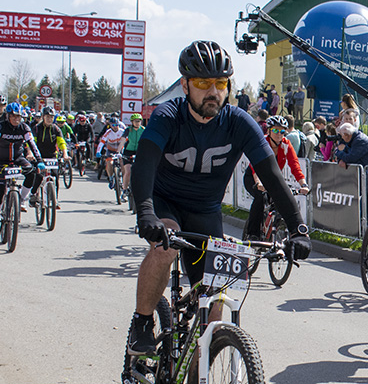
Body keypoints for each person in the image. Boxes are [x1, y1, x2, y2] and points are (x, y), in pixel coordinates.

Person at [128, 40, 311, 356]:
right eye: (203, 83)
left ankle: (198, 381)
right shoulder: (168, 116)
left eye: (221, 83)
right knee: (165, 248)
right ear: (185, 84)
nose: (213, 91)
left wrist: (298, 228)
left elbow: (272, 176)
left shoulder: (239, 122)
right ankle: (142, 321)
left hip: (205, 211)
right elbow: (144, 163)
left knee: (214, 308)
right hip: (165, 203)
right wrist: (145, 211)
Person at [243, 115, 310, 240]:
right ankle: (253, 233)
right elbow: (254, 167)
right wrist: (258, 183)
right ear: (269, 131)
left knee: (281, 199)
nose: (279, 134)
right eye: (275, 130)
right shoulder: (263, 142)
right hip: (253, 176)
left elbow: (295, 165)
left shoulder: (286, 144)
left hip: (271, 178)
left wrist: (304, 184)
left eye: (282, 131)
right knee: (260, 197)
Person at [0, 103, 44, 234]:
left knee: (32, 173)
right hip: (1, 160)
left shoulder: (24, 127)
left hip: (18, 158)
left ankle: (21, 199)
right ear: (8, 116)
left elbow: (32, 144)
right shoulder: (0, 127)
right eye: (14, 117)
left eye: (19, 117)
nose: (17, 119)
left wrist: (39, 160)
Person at [32, 107, 69, 210]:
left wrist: (65, 154)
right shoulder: (36, 128)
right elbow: (32, 142)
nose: (49, 119)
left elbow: (61, 142)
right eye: (47, 117)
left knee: (55, 176)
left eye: (51, 117)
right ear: (43, 117)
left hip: (52, 156)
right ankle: (33, 194)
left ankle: (55, 199)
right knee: (38, 176)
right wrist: (32, 154)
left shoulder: (56, 129)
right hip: (39, 156)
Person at [117, 113, 145, 201]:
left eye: (139, 121)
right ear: (132, 122)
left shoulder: (143, 130)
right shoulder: (128, 130)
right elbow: (122, 141)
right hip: (128, 152)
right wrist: (118, 152)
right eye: (135, 121)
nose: (137, 123)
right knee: (128, 171)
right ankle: (124, 190)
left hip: (139, 151)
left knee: (142, 171)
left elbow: (147, 141)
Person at [96, 116, 125, 189]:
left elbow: (128, 141)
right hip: (110, 150)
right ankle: (111, 178)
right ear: (110, 125)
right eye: (113, 125)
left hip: (120, 150)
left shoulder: (122, 131)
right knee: (110, 163)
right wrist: (98, 151)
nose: (115, 127)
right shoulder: (108, 132)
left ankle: (123, 180)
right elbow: (102, 142)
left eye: (117, 125)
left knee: (123, 165)